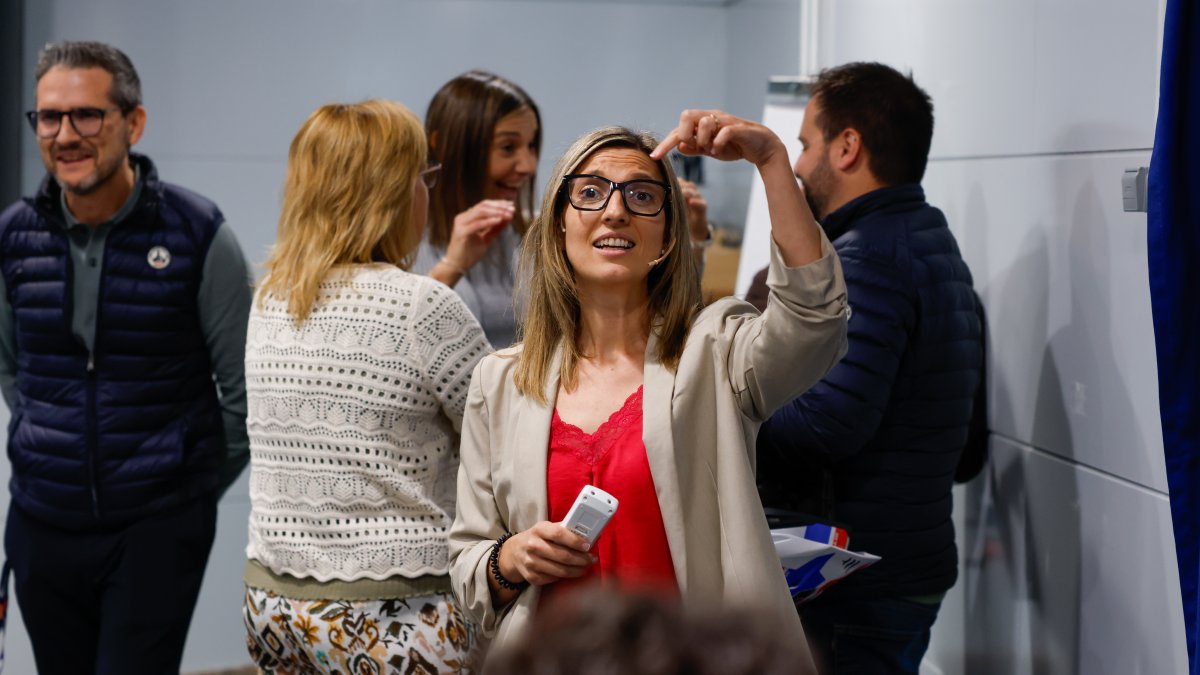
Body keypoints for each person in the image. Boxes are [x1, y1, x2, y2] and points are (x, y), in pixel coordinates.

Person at [447, 111, 849, 667]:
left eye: (641, 195)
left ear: (666, 233)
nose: (615, 209)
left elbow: (815, 319)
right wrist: (509, 559)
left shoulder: (715, 354)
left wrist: (772, 161)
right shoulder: (503, 381)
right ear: (560, 225)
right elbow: (468, 565)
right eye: (589, 192)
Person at [0, 40, 253, 673]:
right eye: (48, 118)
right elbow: (11, 368)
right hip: (42, 522)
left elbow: (244, 394)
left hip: (155, 530)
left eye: (86, 115)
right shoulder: (12, 237)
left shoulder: (198, 233)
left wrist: (182, 490)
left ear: (133, 123)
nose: (65, 135)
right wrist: (48, 439)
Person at [241, 99, 491, 673]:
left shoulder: (271, 298)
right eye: (422, 176)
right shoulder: (423, 307)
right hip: (393, 610)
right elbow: (503, 435)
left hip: (274, 601)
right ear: (391, 192)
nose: (427, 191)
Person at [753, 62, 984, 674]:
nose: (800, 166)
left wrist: (728, 399)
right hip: (903, 575)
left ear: (847, 146)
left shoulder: (866, 260)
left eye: (805, 145)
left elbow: (827, 424)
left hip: (856, 586)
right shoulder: (932, 245)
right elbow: (969, 452)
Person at [413, 70, 541, 348]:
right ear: (443, 146)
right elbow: (393, 345)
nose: (528, 166)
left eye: (531, 146)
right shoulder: (401, 244)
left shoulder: (540, 236)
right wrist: (451, 268)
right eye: (508, 147)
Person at [483, 586, 808, 675]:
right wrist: (507, 559)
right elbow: (470, 548)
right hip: (564, 650)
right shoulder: (500, 414)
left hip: (681, 648)